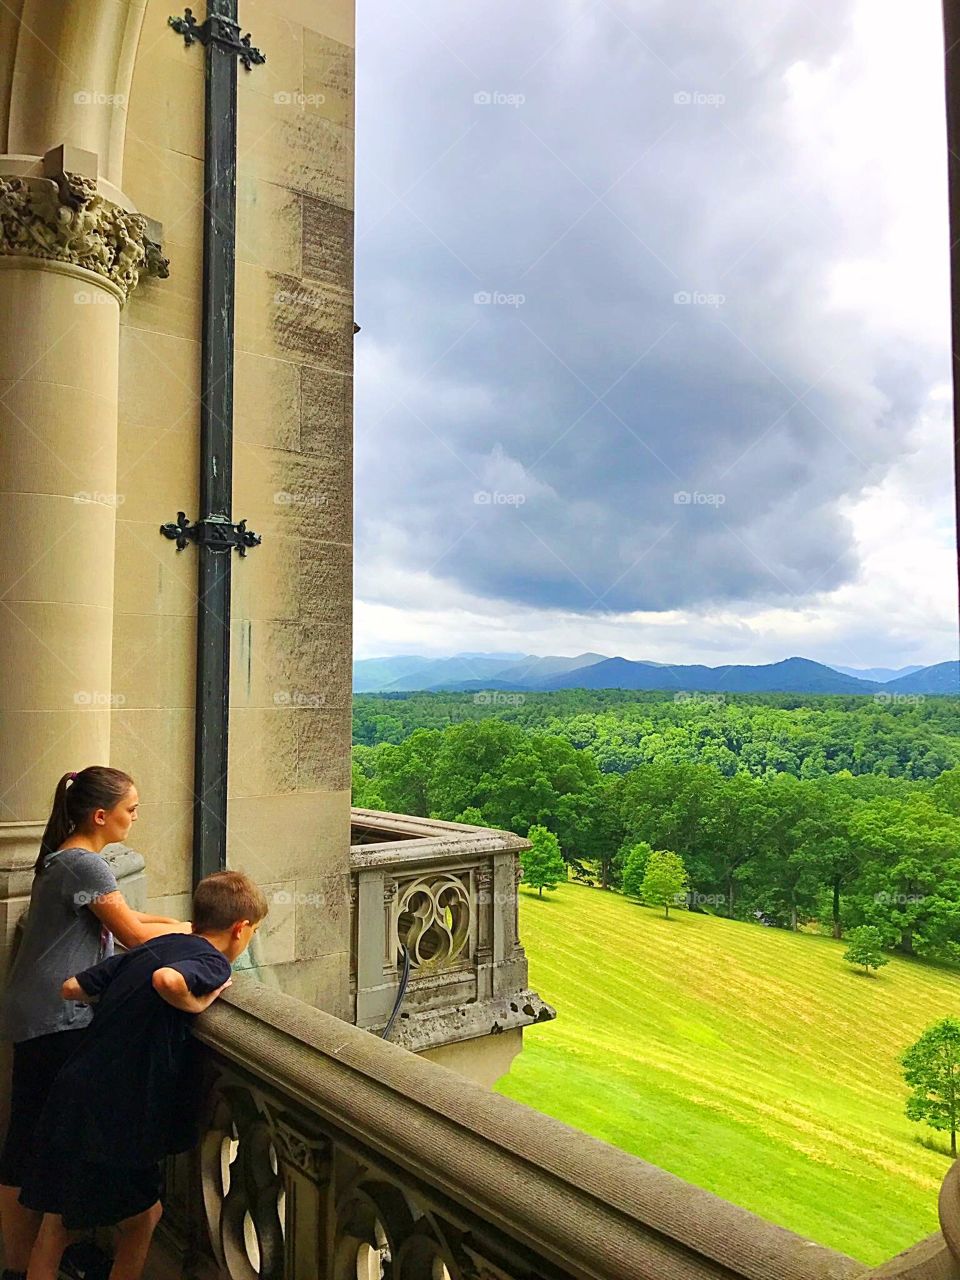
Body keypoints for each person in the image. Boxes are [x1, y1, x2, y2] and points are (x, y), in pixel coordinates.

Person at [20, 870, 267, 1280]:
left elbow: (71, 987)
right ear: (240, 929)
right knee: (144, 1218)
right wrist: (198, 1002)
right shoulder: (211, 962)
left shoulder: (161, 945)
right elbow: (167, 980)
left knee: (58, 1222)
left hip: (74, 1089)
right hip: (116, 1111)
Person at [0, 768, 191, 1280]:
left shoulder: (64, 858)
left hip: (34, 1010)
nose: (135, 817)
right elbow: (132, 935)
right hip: (58, 1017)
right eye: (131, 809)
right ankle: (31, 1262)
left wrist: (184, 926)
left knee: (23, 1142)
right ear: (101, 815)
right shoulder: (87, 865)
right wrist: (200, 946)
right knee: (50, 1148)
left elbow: (127, 916)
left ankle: (17, 1266)